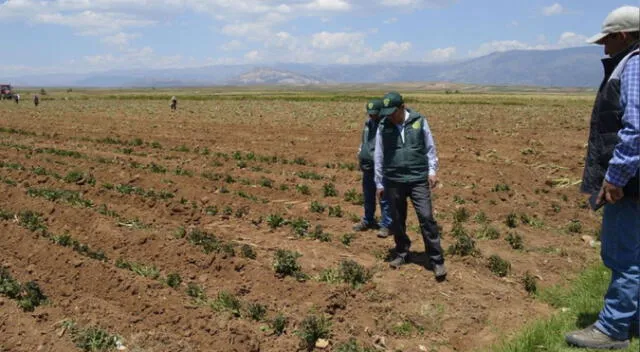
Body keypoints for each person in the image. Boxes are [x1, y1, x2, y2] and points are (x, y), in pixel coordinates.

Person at [565, 6, 640, 350]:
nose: (603, 47)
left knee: (623, 254)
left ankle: (612, 329)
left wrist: (615, 178)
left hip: (632, 185)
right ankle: (632, 319)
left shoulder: (635, 64)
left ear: (622, 35)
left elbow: (635, 129)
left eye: (607, 39)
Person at [374, 91, 446, 280]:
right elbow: (379, 156)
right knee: (397, 220)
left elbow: (430, 147)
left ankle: (436, 260)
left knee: (426, 217)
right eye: (387, 113)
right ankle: (402, 253)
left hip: (417, 178)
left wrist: (432, 171)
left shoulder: (419, 121)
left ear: (402, 107)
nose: (389, 116)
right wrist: (379, 183)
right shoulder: (383, 126)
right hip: (394, 180)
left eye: (393, 112)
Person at [353, 98, 392, 238]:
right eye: (370, 113)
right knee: (368, 194)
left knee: (383, 195)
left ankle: (386, 224)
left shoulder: (386, 125)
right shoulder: (368, 123)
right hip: (367, 164)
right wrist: (360, 154)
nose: (372, 115)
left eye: (374, 113)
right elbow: (364, 141)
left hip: (381, 166)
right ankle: (368, 219)